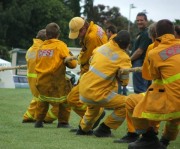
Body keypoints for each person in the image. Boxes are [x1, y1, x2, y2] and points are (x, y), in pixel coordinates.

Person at [127, 19, 180, 149]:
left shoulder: (154, 52)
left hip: (174, 101)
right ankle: (164, 141)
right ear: (173, 32)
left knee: (134, 105)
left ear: (155, 34)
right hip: (175, 102)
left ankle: (148, 138)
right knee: (174, 120)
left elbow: (149, 75)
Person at [78, 30, 132, 136]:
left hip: (84, 89)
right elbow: (124, 81)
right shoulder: (124, 58)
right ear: (127, 45)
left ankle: (83, 129)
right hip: (98, 93)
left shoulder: (102, 47)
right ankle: (105, 129)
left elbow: (93, 59)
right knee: (128, 103)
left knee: (92, 111)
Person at [22, 29, 72, 128]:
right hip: (43, 79)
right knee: (60, 103)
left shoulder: (31, 50)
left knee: (38, 100)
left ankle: (28, 117)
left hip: (33, 80)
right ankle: (47, 119)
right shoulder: (43, 48)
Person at [67, 17, 108, 132]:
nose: (78, 36)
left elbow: (87, 57)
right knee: (84, 99)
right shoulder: (94, 28)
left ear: (84, 27)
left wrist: (79, 59)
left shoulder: (92, 37)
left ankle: (94, 117)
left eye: (79, 33)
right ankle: (86, 124)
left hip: (92, 72)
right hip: (95, 70)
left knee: (72, 99)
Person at [34, 22, 77, 128]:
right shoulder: (60, 46)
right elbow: (73, 64)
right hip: (56, 83)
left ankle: (38, 121)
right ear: (58, 34)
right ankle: (63, 122)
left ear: (47, 34)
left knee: (42, 100)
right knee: (66, 99)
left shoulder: (40, 47)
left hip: (41, 82)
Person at [131, 12, 152, 93]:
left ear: (146, 21)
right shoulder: (141, 34)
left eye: (141, 20)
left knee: (139, 90)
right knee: (146, 91)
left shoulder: (146, 33)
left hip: (140, 64)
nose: (139, 22)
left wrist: (129, 60)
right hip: (143, 64)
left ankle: (140, 105)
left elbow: (139, 51)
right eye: (137, 20)